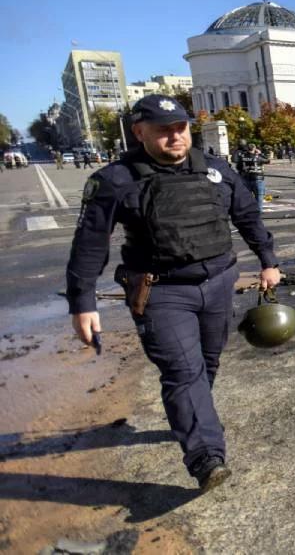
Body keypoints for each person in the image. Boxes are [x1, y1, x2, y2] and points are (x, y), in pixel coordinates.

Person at [65, 95, 279, 493]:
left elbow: (247, 215)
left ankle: (194, 417)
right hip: (160, 291)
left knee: (208, 362)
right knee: (183, 371)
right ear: (139, 132)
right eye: (163, 130)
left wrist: (268, 259)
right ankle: (206, 457)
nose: (175, 136)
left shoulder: (215, 170)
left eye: (180, 128)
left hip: (218, 284)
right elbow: (90, 242)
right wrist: (83, 301)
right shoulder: (115, 180)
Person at [236, 143, 269, 211]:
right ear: (254, 148)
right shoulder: (258, 157)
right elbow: (268, 160)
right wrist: (260, 153)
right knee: (259, 197)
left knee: (247, 197)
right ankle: (258, 212)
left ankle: (248, 211)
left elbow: (238, 167)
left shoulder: (243, 157)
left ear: (247, 149)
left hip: (246, 179)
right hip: (258, 179)